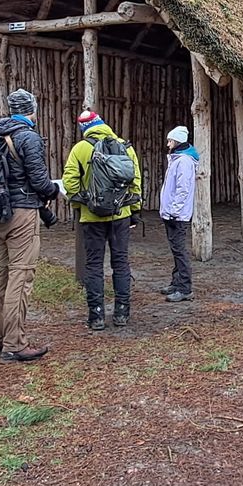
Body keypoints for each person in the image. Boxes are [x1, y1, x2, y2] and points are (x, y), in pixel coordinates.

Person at [0, 89, 58, 363]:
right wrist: (53, 191)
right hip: (22, 214)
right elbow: (39, 180)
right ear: (32, 110)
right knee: (20, 276)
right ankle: (14, 344)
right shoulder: (28, 137)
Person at [63, 110, 142, 331]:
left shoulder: (80, 148)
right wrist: (134, 210)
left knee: (94, 265)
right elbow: (135, 182)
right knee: (121, 263)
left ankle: (96, 316)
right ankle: (122, 313)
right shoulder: (125, 147)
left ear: (84, 129)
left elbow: (69, 181)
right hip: (121, 215)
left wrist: (82, 203)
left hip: (92, 217)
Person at [158, 125, 198, 303]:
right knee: (176, 250)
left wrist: (174, 211)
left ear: (178, 141)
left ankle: (185, 288)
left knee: (180, 250)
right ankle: (176, 282)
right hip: (172, 213)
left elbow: (183, 189)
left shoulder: (184, 161)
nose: (168, 144)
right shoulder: (177, 159)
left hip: (177, 215)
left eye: (170, 141)